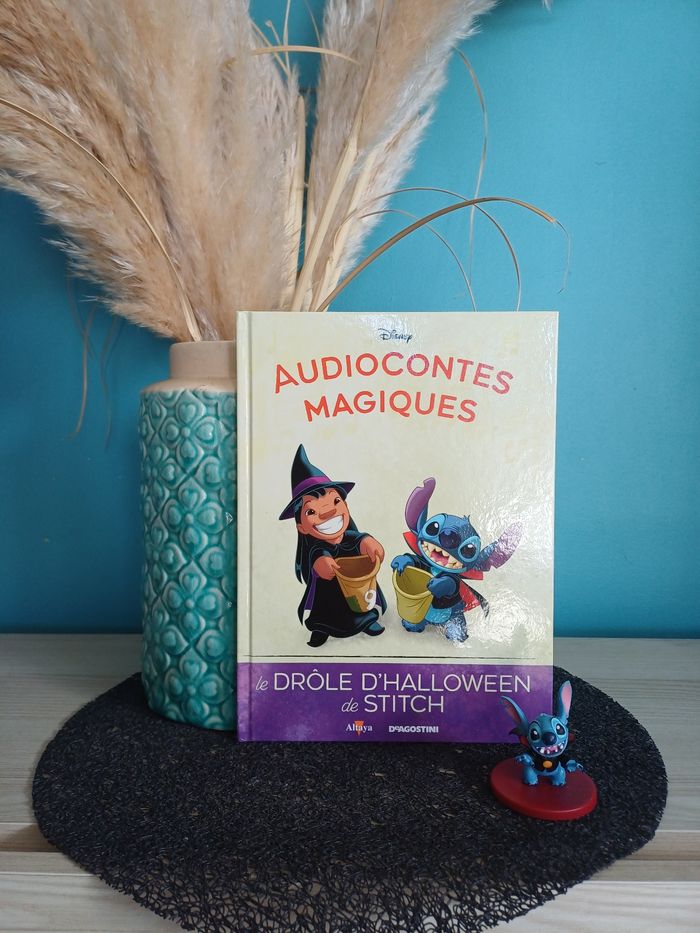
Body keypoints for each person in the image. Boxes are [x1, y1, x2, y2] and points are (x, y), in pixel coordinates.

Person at [279, 445, 386, 647]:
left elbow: (358, 538)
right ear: (301, 527)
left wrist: (367, 541)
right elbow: (317, 556)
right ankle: (321, 629)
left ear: (346, 506)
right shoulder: (317, 548)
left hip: (357, 593)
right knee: (325, 611)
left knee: (360, 604)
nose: (328, 512)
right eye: (311, 512)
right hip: (328, 596)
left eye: (336, 501)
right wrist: (320, 563)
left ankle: (366, 621)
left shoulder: (350, 537)